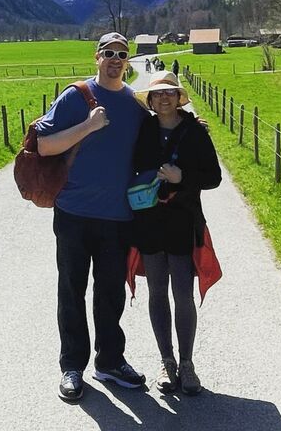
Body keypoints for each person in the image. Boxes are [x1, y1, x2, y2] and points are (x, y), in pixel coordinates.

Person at [35, 33, 148, 403]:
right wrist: (88, 125)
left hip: (117, 216)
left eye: (122, 54)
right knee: (71, 290)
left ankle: (110, 361)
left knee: (111, 293)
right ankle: (72, 367)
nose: (115, 59)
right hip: (74, 213)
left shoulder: (133, 104)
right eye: (109, 53)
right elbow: (43, 144)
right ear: (97, 57)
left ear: (127, 62)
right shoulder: (77, 97)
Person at [129, 71, 222, 395]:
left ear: (178, 98)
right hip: (150, 223)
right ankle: (166, 362)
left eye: (170, 93)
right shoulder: (144, 130)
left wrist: (183, 178)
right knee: (157, 293)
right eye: (158, 95)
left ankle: (187, 364)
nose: (164, 98)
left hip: (183, 222)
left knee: (182, 294)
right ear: (151, 102)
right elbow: (132, 167)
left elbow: (214, 177)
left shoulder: (195, 132)